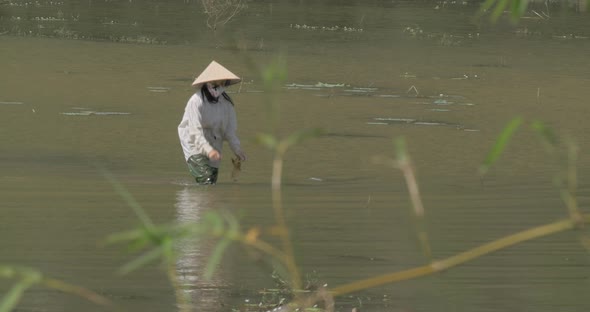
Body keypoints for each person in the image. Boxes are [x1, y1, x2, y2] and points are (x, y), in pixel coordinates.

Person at [178, 61, 247, 185]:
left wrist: (237, 149)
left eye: (224, 82)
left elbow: (229, 131)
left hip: (215, 144)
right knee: (207, 179)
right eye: (218, 82)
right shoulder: (196, 101)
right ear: (209, 82)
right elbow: (195, 132)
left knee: (212, 183)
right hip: (194, 144)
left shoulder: (227, 104)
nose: (221, 85)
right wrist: (208, 150)